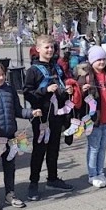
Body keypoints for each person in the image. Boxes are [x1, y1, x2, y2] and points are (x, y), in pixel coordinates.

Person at [0, 62, 42, 210]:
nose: (1, 77)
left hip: (10, 136)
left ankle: (10, 194)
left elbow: (18, 111)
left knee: (10, 167)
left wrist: (31, 113)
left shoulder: (10, 89)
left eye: (2, 74)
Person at [23, 35, 75, 201]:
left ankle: (52, 179)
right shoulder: (33, 70)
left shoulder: (57, 67)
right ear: (38, 49)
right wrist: (45, 91)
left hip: (57, 115)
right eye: (46, 47)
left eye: (52, 47)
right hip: (41, 117)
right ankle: (33, 183)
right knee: (39, 151)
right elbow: (27, 94)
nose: (50, 50)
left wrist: (66, 91)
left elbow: (61, 86)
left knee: (54, 149)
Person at [75, 46, 106, 188]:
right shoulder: (87, 76)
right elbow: (77, 97)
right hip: (94, 120)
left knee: (103, 147)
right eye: (98, 59)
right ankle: (92, 174)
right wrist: (82, 90)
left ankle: (100, 172)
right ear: (92, 61)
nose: (102, 62)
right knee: (94, 147)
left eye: (104, 59)